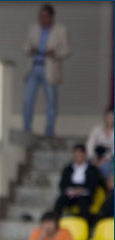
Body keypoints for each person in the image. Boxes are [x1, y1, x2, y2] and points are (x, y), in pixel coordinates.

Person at [22, 4, 70, 137]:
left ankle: (49, 132)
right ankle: (26, 129)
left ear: (51, 17)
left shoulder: (60, 30)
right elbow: (25, 45)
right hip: (33, 67)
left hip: (49, 69)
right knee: (27, 100)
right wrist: (29, 49)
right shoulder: (33, 28)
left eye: (44, 16)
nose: (41, 19)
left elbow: (66, 51)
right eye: (40, 16)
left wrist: (54, 53)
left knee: (51, 102)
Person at [53, 144, 101, 227]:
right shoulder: (68, 168)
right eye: (76, 155)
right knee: (60, 199)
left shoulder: (92, 169)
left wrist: (82, 190)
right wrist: (69, 191)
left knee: (83, 201)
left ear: (85, 155)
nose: (78, 157)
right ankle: (55, 223)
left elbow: (93, 185)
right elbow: (62, 184)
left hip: (85, 194)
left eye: (80, 154)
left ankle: (85, 225)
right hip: (71, 194)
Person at [86, 107, 114, 180]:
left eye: (112, 117)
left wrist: (104, 160)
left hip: (108, 158)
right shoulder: (96, 129)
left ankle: (107, 187)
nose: (110, 119)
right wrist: (93, 158)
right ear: (105, 117)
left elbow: (113, 151)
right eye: (108, 117)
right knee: (86, 166)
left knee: (106, 168)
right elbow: (90, 144)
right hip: (95, 154)